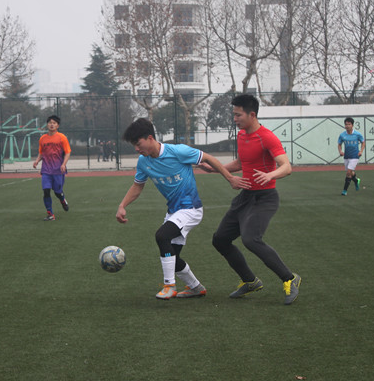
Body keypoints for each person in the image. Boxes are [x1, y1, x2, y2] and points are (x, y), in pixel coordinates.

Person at [116, 118, 243, 300]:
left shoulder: (177, 151)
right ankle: (196, 287)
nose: (136, 149)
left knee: (162, 236)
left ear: (150, 138)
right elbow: (138, 186)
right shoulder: (143, 162)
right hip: (174, 211)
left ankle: (169, 285)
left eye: (138, 143)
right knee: (172, 256)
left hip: (191, 208)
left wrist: (230, 178)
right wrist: (122, 205)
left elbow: (208, 158)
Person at [200, 94, 301, 305]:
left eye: (238, 115)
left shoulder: (267, 137)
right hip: (245, 197)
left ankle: (289, 278)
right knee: (220, 239)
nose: (235, 119)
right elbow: (240, 163)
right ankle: (250, 281)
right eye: (234, 114)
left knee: (251, 239)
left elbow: (286, 166)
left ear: (252, 114)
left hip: (265, 198)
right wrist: (215, 169)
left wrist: (270, 175)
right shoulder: (242, 136)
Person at [33, 115, 71, 221]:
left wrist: (63, 164)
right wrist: (37, 161)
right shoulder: (42, 138)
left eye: (54, 123)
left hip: (58, 170)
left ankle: (62, 200)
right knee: (46, 191)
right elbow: (41, 153)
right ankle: (50, 214)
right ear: (47, 124)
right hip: (46, 170)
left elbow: (67, 152)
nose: (52, 124)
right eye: (50, 122)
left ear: (57, 125)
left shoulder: (62, 137)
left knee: (57, 192)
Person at [338, 117, 365, 196]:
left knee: (348, 173)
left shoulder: (357, 134)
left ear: (352, 125)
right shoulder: (342, 135)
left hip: (355, 156)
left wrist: (361, 151)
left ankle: (344, 191)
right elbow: (339, 144)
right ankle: (356, 180)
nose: (347, 126)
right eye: (346, 124)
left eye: (349, 124)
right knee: (351, 172)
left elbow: (363, 142)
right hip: (346, 156)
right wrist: (340, 151)